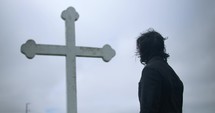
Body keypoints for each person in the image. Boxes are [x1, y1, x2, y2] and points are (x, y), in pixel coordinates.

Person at [136, 29, 184, 113]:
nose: (139, 53)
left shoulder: (150, 70)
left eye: (140, 49)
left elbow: (148, 109)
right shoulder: (172, 73)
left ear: (145, 50)